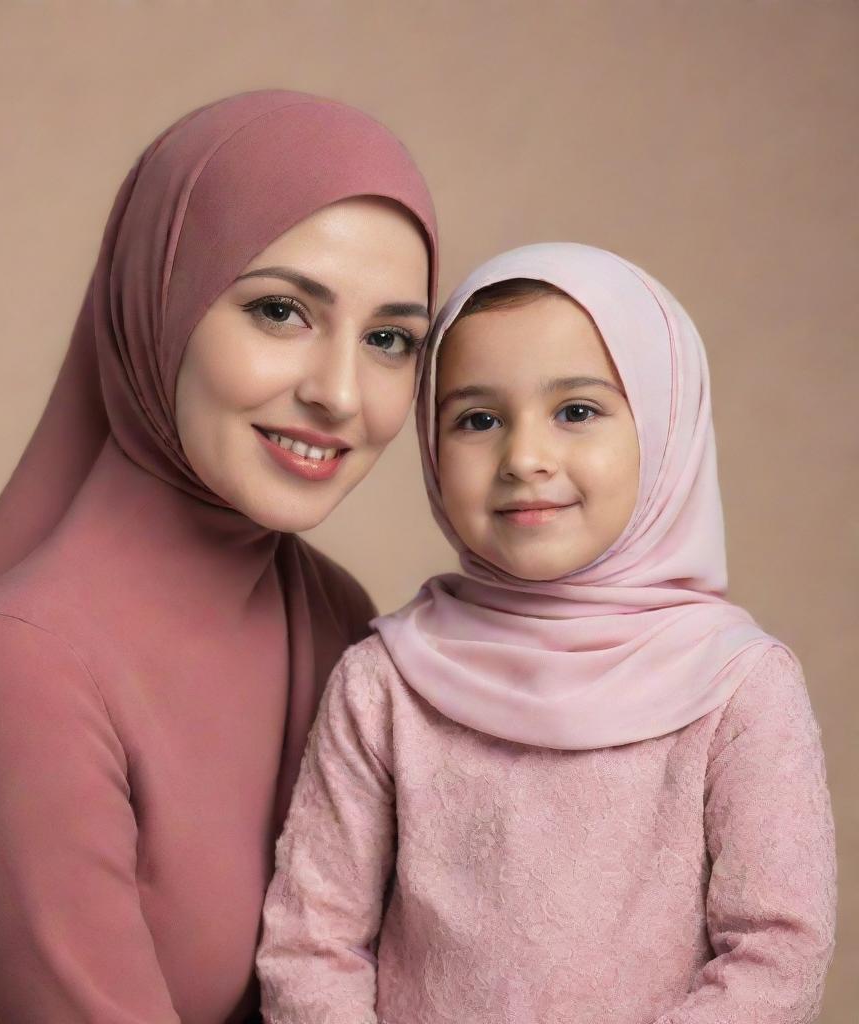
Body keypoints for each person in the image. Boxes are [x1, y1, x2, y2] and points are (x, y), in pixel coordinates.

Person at [0, 90, 437, 1024]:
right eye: (281, 311)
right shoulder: (19, 670)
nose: (340, 393)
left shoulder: (332, 616)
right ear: (161, 301)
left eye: (391, 339)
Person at [257, 243, 836, 1023]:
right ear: (431, 447)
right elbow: (310, 942)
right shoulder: (387, 681)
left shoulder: (737, 685)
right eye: (478, 419)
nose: (525, 458)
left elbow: (777, 952)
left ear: (665, 430)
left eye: (576, 411)